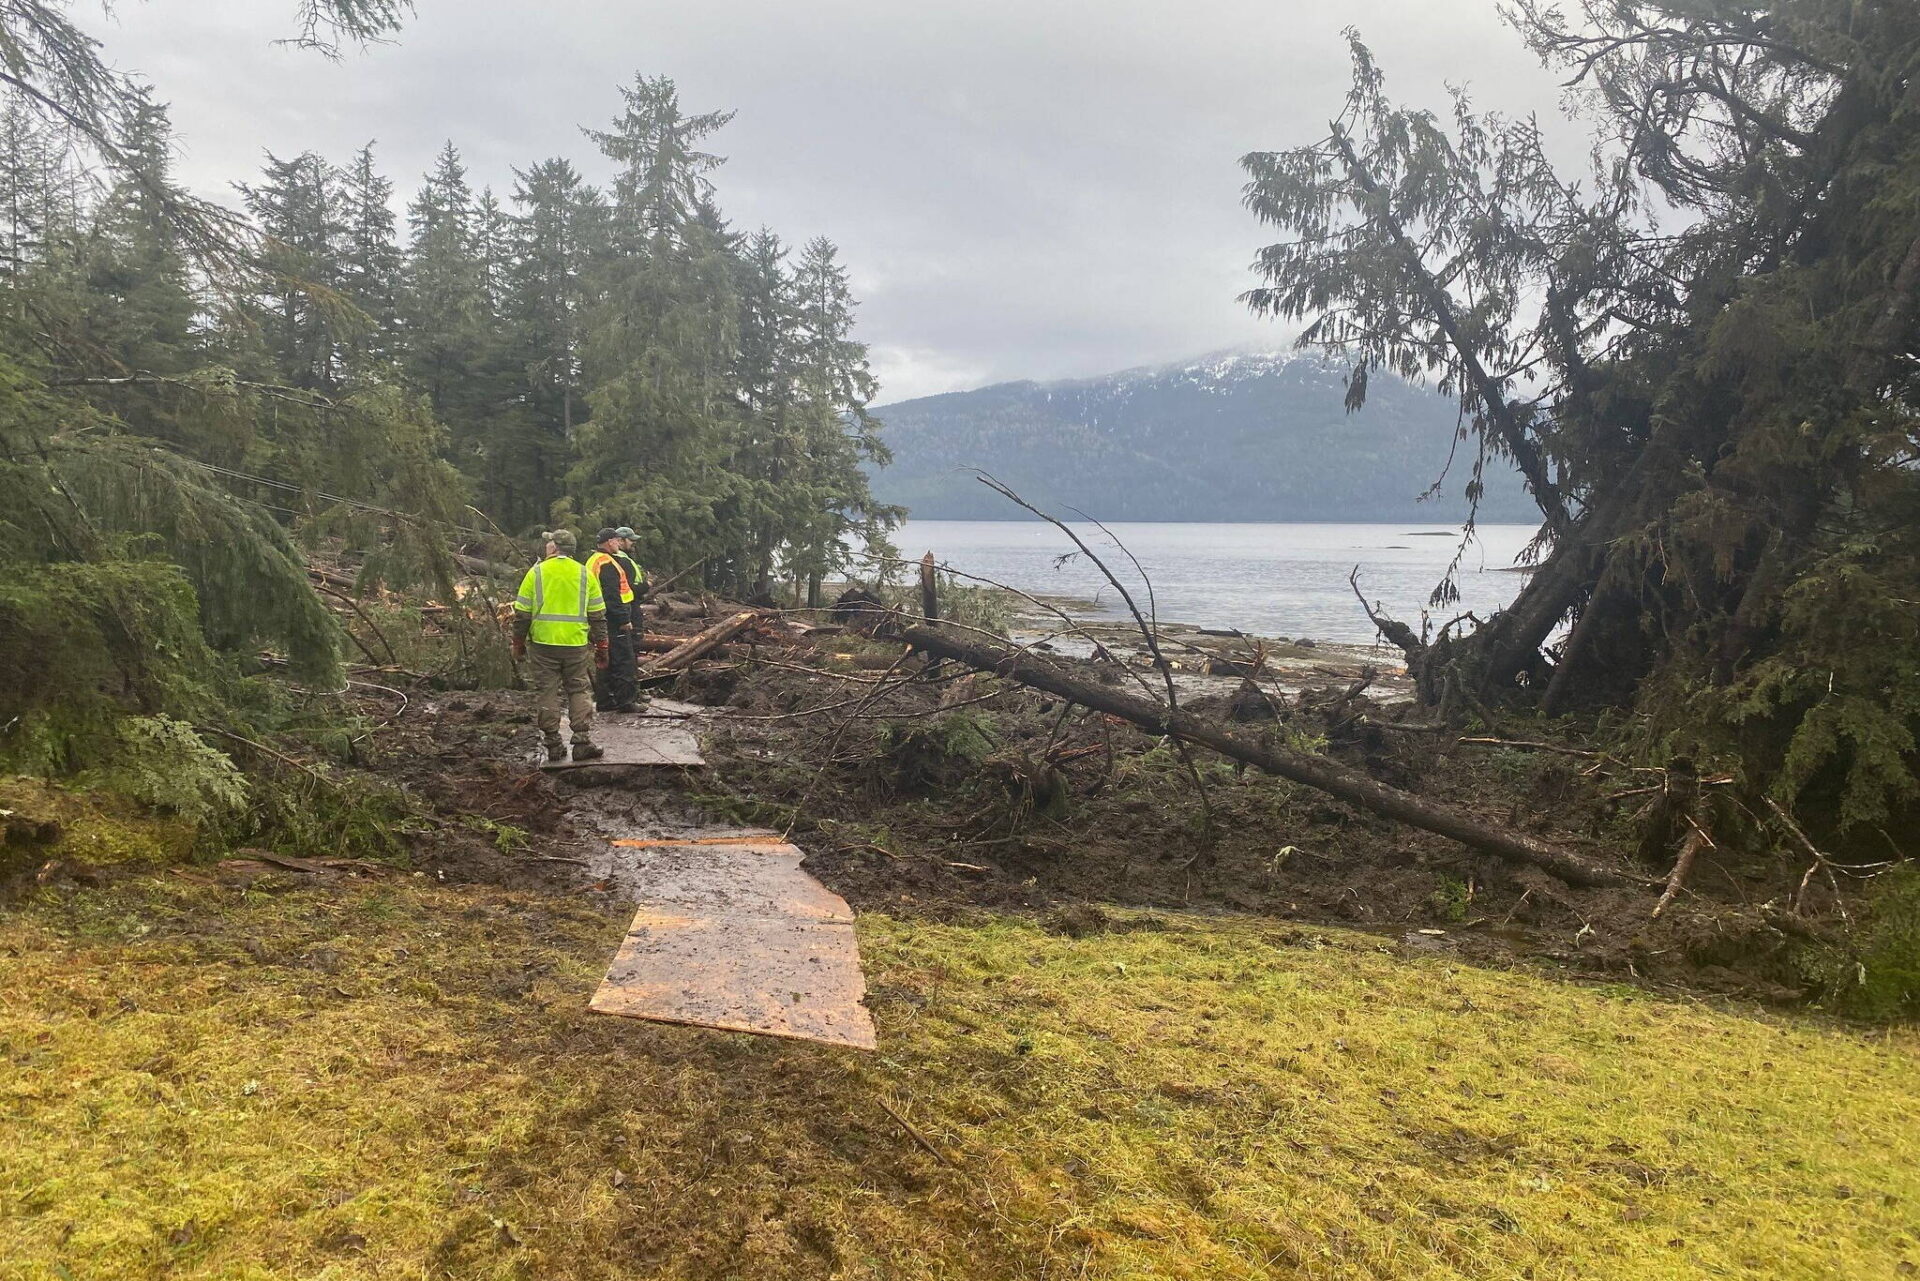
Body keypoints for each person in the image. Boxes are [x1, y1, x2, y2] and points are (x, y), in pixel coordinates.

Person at [511, 529, 608, 761]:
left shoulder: (536, 573)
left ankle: (553, 743)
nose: (546, 546)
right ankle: (582, 742)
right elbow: (597, 615)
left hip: (543, 645)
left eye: (549, 543)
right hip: (575, 644)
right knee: (578, 689)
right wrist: (603, 646)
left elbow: (522, 614)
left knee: (547, 691)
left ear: (554, 548)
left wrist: (518, 643)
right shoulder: (585, 574)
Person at [585, 527, 641, 713]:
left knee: (605, 658)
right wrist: (624, 618)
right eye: (617, 540)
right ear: (610, 542)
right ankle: (626, 701)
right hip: (613, 619)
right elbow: (611, 595)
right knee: (623, 659)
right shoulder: (607, 563)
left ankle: (605, 700)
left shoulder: (593, 560)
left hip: (599, 617)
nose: (619, 544)